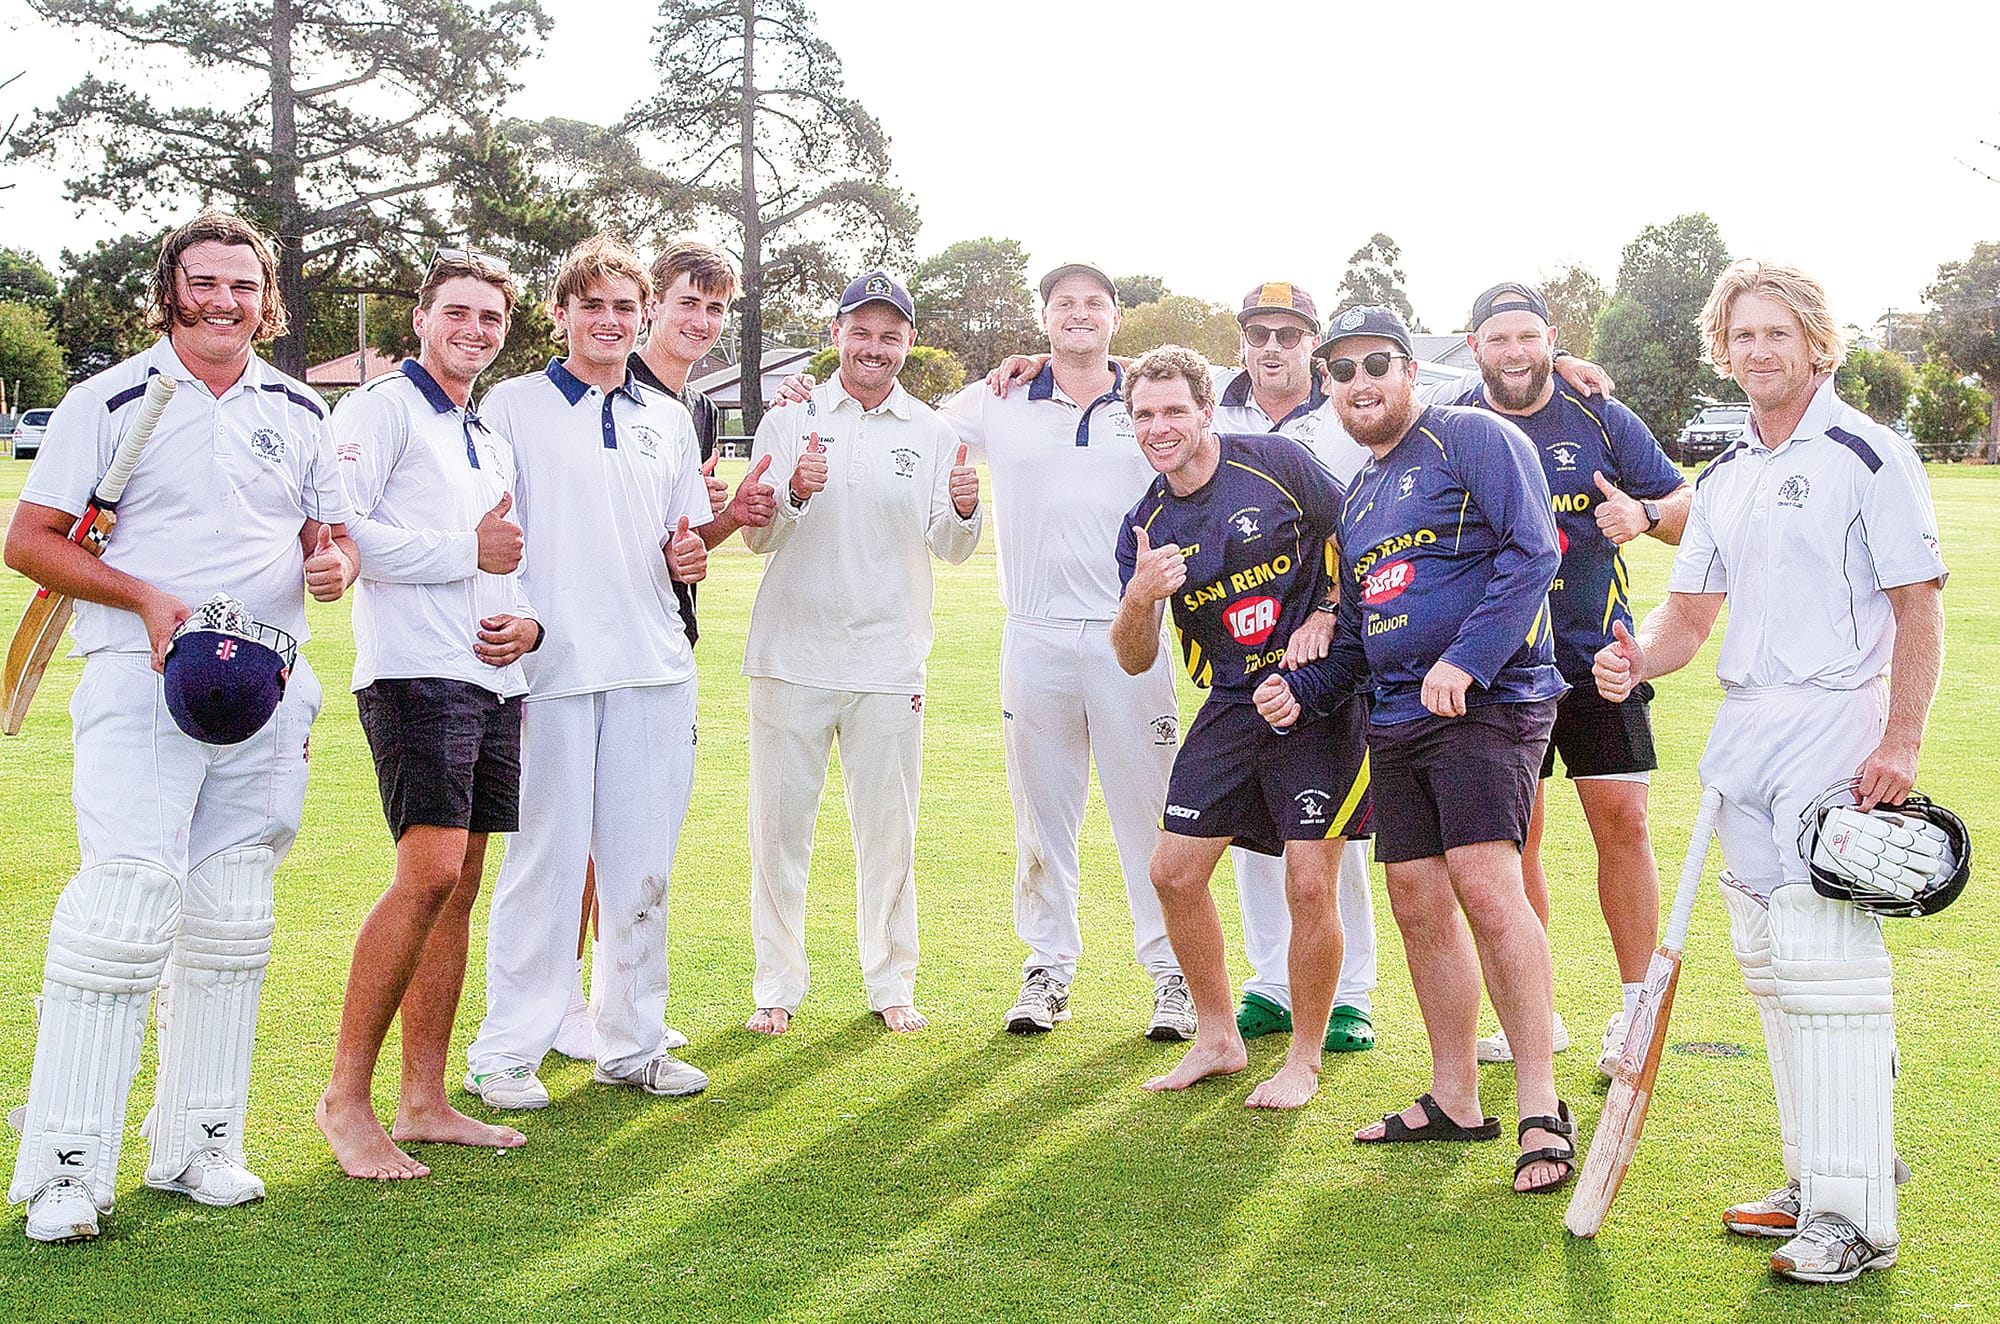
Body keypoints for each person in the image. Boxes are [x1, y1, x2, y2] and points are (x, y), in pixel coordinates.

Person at [4, 212, 356, 1240]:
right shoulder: (109, 398)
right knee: (123, 906)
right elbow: (28, 541)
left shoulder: (296, 407)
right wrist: (148, 599)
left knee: (232, 913)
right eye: (204, 283)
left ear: (267, 298)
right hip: (138, 677)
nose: (223, 302)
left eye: (243, 286)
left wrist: (332, 567)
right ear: (171, 290)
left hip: (265, 685)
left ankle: (199, 1140)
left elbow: (320, 539)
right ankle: (66, 1166)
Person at [1592, 260, 1945, 1282]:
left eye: (1774, 334)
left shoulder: (1864, 453)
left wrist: (1900, 742)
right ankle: (1813, 1173)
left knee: (1825, 962)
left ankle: (1855, 1214)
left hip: (1835, 721)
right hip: (1743, 730)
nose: (1756, 351)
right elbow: (1689, 616)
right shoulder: (1725, 476)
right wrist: (1633, 661)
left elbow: (1915, 605)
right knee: (1769, 967)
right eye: (1740, 335)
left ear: (1813, 342)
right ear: (1722, 347)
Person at [1259, 306, 1573, 1191]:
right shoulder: (1358, 497)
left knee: (1485, 882)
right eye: (1345, 370)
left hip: (1489, 701)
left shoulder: (1471, 435)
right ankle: (1455, 1097)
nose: (1362, 382)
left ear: (1409, 373)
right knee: (1415, 899)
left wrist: (1466, 662)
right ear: (1329, 386)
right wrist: (1302, 690)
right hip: (1396, 719)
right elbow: (1357, 632)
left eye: (1378, 365)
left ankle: (1542, 1105)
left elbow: (1533, 552)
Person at [462, 234, 713, 1107]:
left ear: (643, 318)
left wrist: (689, 554)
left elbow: (685, 537)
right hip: (550, 669)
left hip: (653, 665)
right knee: (546, 866)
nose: (608, 321)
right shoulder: (513, 406)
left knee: (642, 868)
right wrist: (519, 626)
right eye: (591, 305)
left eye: (623, 307)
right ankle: (508, 1053)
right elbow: (495, 537)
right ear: (562, 313)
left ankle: (633, 1043)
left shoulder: (669, 418)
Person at [313, 249, 537, 1178]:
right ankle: (345, 1100)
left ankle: (424, 1099)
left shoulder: (485, 429)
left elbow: (507, 554)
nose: (473, 330)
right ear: (420, 317)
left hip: (490, 677)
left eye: (489, 317)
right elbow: (343, 529)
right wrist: (466, 551)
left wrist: (527, 621)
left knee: (461, 883)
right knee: (428, 871)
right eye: (458, 312)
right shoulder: (378, 408)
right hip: (413, 674)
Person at [934, 261, 1191, 1040]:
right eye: (1063, 304)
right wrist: (802, 401)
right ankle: (1047, 972)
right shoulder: (1001, 397)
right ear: (1044, 317)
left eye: (1093, 304)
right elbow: (907, 420)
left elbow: (1246, 394)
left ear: (1117, 317)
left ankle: (1172, 976)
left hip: (1132, 628)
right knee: (1042, 819)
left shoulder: (1148, 396)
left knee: (1151, 815)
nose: (1079, 315)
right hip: (1035, 631)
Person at [1110, 344, 1366, 1110]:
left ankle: (1306, 1058)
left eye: (1175, 411)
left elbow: (1361, 532)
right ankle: (1218, 1038)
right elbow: (1131, 658)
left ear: (1206, 410)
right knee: (1172, 873)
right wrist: (1141, 597)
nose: (1161, 428)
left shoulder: (1275, 463)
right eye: (1145, 415)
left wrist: (1326, 613)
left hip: (1314, 698)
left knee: (1309, 881)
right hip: (1229, 703)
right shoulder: (1145, 525)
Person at [550, 239, 783, 1064]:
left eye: (717, 308)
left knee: (632, 837)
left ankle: (614, 1007)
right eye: (688, 300)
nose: (700, 321)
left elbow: (676, 543)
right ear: (655, 303)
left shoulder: (699, 411)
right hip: (576, 651)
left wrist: (735, 516)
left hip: (658, 638)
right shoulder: (597, 382)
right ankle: (562, 1002)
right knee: (572, 841)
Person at [1457, 281, 1691, 1077]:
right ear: (1474, 344)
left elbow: (1688, 506)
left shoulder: (1599, 415)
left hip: (1601, 661)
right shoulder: (1453, 420)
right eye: (1499, 339)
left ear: (1550, 337)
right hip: (1496, 665)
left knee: (1621, 825)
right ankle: (1537, 1012)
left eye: (1529, 337)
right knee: (1513, 839)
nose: (1515, 352)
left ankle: (1633, 1014)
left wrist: (1645, 518)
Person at [739, 271, 982, 1035]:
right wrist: (796, 493)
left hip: (888, 659)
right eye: (861, 331)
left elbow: (951, 546)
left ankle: (891, 983)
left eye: (890, 334)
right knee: (779, 834)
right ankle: (776, 986)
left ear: (908, 341)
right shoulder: (791, 420)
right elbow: (757, 534)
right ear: (837, 332)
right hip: (791, 656)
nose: (874, 347)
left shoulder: (932, 431)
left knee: (890, 835)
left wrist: (968, 507)